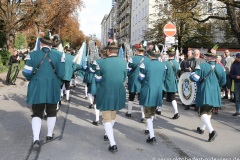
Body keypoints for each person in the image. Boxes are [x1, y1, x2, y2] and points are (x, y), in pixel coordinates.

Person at [22, 31, 65, 149]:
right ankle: (49, 135)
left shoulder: (32, 54)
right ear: (51, 44)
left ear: (41, 43)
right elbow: (62, 74)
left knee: (37, 113)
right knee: (51, 112)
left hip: (37, 87)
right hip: (52, 87)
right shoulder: (60, 55)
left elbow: (26, 72)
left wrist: (33, 79)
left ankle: (36, 138)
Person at [95, 41, 127, 152]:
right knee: (113, 115)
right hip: (118, 91)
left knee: (106, 117)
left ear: (108, 51)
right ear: (117, 52)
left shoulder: (101, 63)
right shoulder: (124, 63)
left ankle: (113, 143)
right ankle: (106, 134)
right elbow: (124, 78)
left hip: (105, 91)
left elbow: (97, 79)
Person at [190, 45, 226, 142]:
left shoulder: (202, 66)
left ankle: (212, 131)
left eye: (207, 56)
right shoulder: (220, 68)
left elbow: (195, 78)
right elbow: (223, 81)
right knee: (209, 110)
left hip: (205, 90)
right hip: (215, 91)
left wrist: (190, 75)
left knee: (202, 112)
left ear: (208, 57)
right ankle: (202, 128)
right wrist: (216, 85)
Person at [138, 47, 166, 143]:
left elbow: (140, 78)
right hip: (158, 91)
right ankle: (148, 129)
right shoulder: (163, 65)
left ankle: (152, 135)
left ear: (150, 55)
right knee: (152, 112)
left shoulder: (145, 64)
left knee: (148, 114)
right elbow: (163, 78)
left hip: (148, 90)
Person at [125, 43, 147, 123]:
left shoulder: (132, 59)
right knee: (141, 98)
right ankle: (143, 116)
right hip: (143, 81)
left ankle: (129, 112)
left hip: (133, 80)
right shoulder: (147, 59)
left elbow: (128, 70)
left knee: (131, 96)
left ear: (137, 51)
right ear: (143, 51)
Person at [162, 47, 180, 119]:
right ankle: (176, 112)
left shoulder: (165, 63)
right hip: (173, 81)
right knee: (173, 98)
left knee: (161, 96)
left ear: (168, 55)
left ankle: (159, 110)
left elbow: (163, 73)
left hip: (165, 81)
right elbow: (178, 71)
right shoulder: (177, 63)